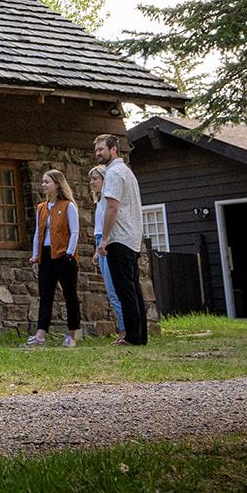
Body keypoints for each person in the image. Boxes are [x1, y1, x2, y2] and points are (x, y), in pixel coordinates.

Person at [94, 134, 148, 345]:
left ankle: (132, 337)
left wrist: (105, 239)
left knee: (125, 290)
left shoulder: (114, 173)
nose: (98, 153)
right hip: (132, 237)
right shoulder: (127, 172)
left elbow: (113, 207)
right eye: (97, 150)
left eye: (102, 149)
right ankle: (140, 336)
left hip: (120, 238)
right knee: (133, 288)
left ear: (113, 149)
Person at [23, 169, 82, 347]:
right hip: (46, 255)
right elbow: (37, 234)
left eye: (47, 182)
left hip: (64, 255)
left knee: (70, 294)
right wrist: (35, 255)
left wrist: (70, 253)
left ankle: (72, 335)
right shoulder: (41, 208)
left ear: (57, 184)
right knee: (45, 295)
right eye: (42, 182)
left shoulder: (67, 206)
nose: (43, 185)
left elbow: (75, 231)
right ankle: (40, 334)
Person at [89, 164, 127, 344]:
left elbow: (111, 221)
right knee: (111, 292)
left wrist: (104, 242)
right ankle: (124, 330)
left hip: (108, 242)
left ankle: (125, 331)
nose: (92, 182)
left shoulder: (108, 198)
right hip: (101, 242)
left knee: (114, 291)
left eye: (95, 179)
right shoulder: (100, 201)